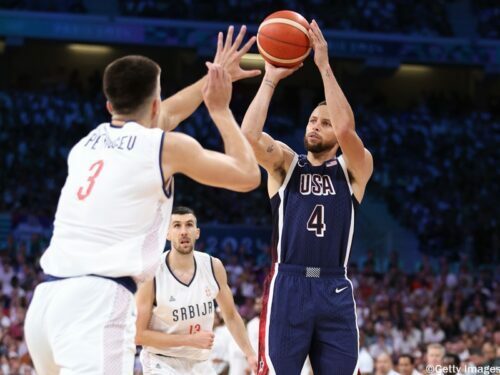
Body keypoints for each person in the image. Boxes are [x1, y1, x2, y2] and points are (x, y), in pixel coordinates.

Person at [24, 27, 261, 374]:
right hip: (96, 305)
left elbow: (166, 115)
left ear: (109, 104)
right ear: (154, 103)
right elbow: (247, 175)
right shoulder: (165, 146)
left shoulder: (87, 143)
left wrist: (215, 77)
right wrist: (220, 108)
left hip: (46, 303)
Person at [242, 19, 373, 374]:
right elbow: (249, 136)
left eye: (324, 123)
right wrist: (270, 77)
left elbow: (347, 128)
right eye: (313, 120)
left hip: (334, 283)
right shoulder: (286, 163)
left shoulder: (354, 169)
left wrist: (324, 66)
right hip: (289, 283)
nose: (315, 126)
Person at [135, 206, 257, 374]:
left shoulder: (213, 266)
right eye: (177, 225)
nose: (184, 231)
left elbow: (231, 315)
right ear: (167, 233)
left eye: (189, 225)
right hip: (161, 361)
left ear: (197, 232)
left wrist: (250, 354)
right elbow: (139, 335)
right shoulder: (152, 273)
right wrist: (189, 340)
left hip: (200, 362)